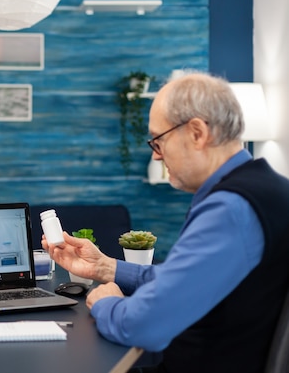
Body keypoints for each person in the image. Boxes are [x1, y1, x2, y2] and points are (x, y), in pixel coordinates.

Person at [43, 72, 289, 373]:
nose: (157, 157)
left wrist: (107, 301)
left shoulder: (230, 209)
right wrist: (104, 267)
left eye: (158, 141)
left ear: (197, 132)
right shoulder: (269, 188)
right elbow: (182, 281)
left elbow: (143, 325)